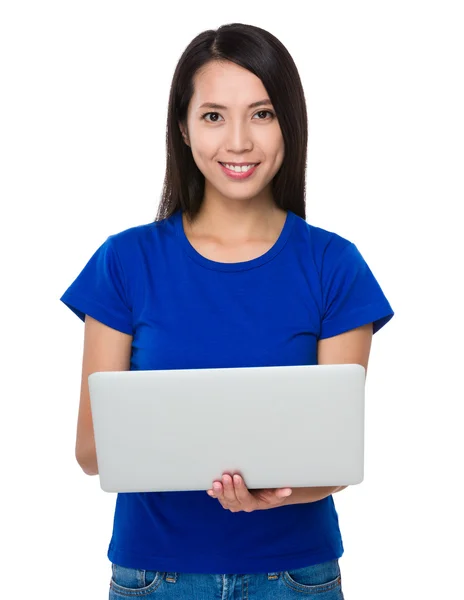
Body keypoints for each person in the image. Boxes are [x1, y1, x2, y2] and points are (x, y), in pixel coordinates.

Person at [60, 22, 394, 599]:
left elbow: (335, 457)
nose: (238, 141)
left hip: (293, 578)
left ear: (290, 125)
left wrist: (279, 488)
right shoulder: (124, 261)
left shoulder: (335, 265)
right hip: (155, 578)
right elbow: (92, 451)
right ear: (183, 130)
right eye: (213, 115)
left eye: (261, 114)